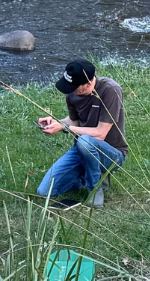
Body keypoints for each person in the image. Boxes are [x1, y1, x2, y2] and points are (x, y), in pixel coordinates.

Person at [36, 59, 126, 209]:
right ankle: (88, 176)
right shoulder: (72, 93)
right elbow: (74, 121)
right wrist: (56, 123)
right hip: (82, 149)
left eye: (75, 87)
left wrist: (64, 128)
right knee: (44, 191)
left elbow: (100, 133)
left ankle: (95, 188)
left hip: (112, 153)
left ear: (89, 83)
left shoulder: (110, 90)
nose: (71, 91)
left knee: (85, 141)